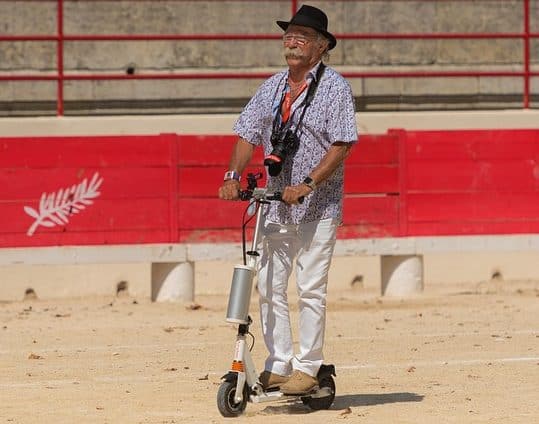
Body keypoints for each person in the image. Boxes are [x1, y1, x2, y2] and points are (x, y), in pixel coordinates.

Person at [218, 4, 358, 395]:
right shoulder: (273, 86)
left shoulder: (334, 87)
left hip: (317, 204)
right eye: (289, 35)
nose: (292, 42)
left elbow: (342, 143)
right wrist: (231, 175)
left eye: (303, 37)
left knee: (311, 288)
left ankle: (309, 366)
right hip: (276, 201)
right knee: (269, 284)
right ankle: (278, 363)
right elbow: (248, 133)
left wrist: (309, 183)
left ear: (321, 47)